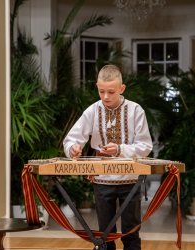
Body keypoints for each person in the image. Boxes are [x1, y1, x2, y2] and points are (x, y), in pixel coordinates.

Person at [63, 65, 153, 250]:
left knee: (131, 232)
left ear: (122, 89)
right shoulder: (92, 111)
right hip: (102, 179)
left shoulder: (136, 111)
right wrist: (73, 148)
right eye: (101, 91)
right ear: (97, 86)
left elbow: (145, 147)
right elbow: (71, 139)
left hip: (130, 179)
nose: (105, 96)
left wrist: (119, 149)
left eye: (111, 92)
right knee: (105, 235)